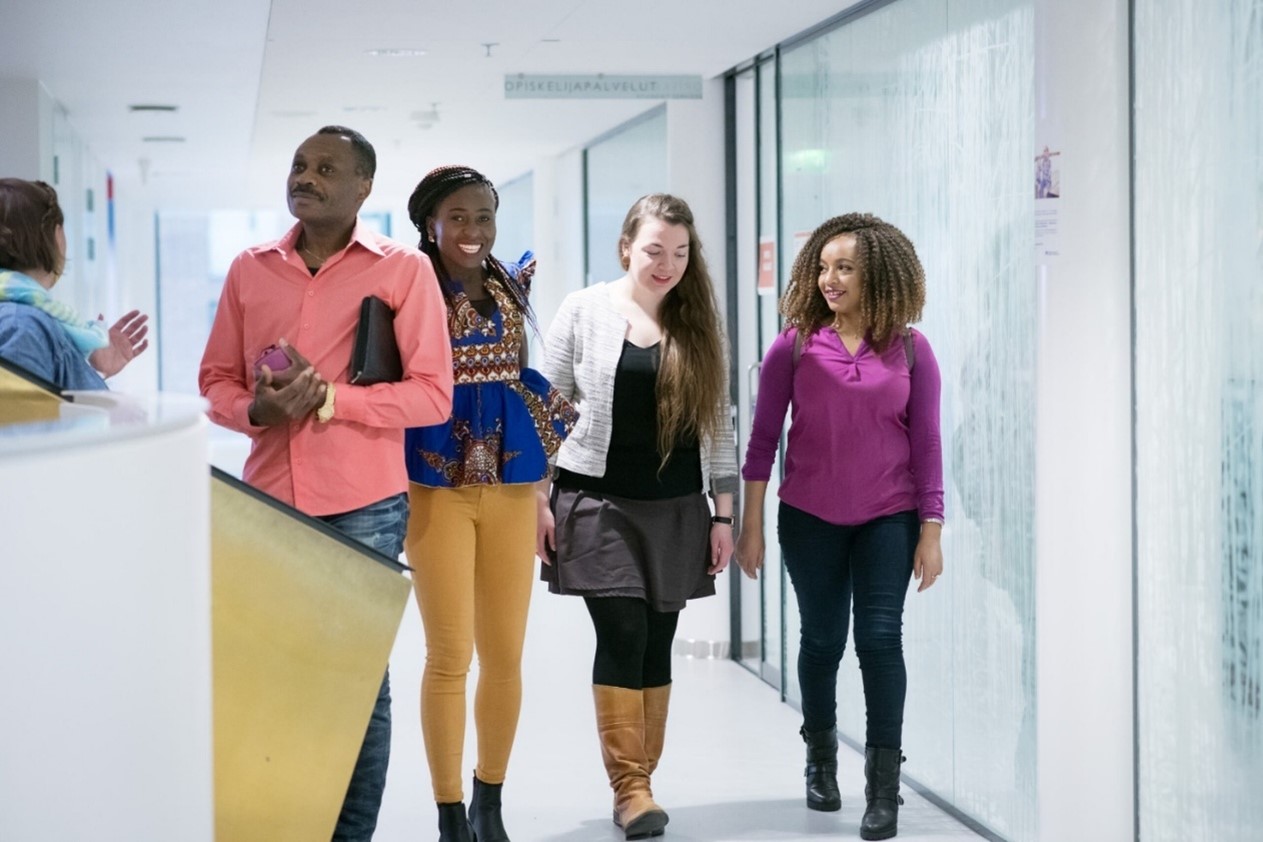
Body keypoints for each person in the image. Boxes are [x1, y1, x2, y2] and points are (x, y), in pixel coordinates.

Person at [198, 126, 454, 841]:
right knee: (270, 678)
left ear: (362, 186)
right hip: (266, 505)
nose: (305, 177)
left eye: (325, 168)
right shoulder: (250, 270)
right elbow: (214, 379)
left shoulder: (403, 271)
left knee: (355, 687)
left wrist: (333, 400)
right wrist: (257, 409)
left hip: (364, 506)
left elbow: (433, 396)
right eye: (299, 166)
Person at [736, 212, 943, 841]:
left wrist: (931, 530)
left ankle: (884, 788)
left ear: (876, 272)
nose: (830, 278)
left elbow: (928, 443)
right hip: (810, 518)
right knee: (822, 640)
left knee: (880, 639)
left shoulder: (911, 348)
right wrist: (750, 526)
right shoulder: (794, 345)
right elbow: (763, 441)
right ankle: (820, 761)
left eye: (844, 267)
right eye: (823, 267)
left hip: (889, 516)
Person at [538, 193, 736, 840]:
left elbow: (719, 424)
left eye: (679, 253)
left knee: (656, 640)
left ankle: (641, 780)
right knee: (621, 633)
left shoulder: (699, 323)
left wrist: (722, 514)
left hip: (677, 507)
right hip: (598, 501)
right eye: (654, 249)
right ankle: (630, 788)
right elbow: (549, 406)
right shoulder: (585, 310)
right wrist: (537, 497)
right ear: (626, 245)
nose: (666, 264)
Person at [402, 165, 576, 842]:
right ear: (431, 224)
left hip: (508, 487)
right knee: (448, 655)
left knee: (504, 655)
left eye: (484, 216)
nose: (473, 231)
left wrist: (539, 497)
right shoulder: (407, 286)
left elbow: (522, 384)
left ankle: (490, 800)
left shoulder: (509, 281)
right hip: (434, 483)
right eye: (459, 217)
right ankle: (447, 811)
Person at [0, 178, 149, 390]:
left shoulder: (23, 320)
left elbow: (49, 401)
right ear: (54, 235)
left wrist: (92, 370)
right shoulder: (20, 324)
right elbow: (25, 417)